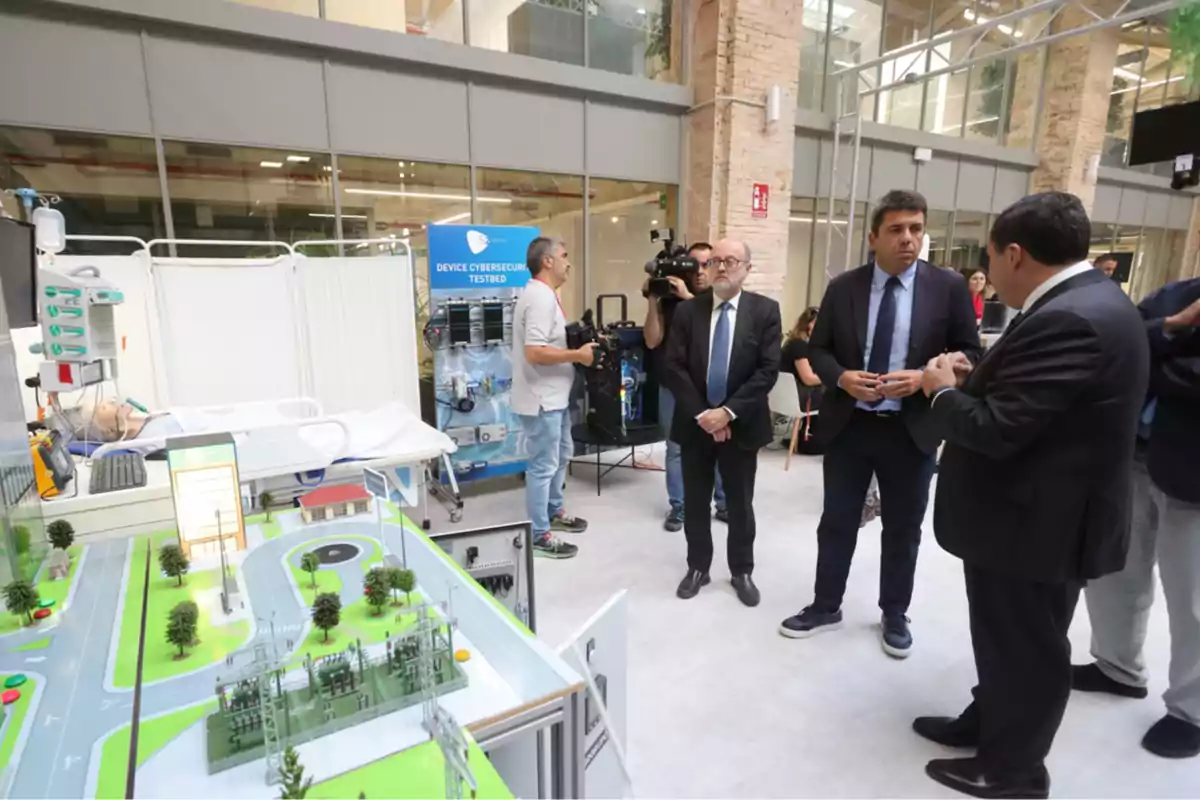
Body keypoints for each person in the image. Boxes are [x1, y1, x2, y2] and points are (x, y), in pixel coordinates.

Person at [913, 192, 1149, 798]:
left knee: (1027, 647)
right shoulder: (1087, 303)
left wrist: (942, 392)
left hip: (1036, 523)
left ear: (1013, 254)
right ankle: (989, 722)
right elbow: (1038, 403)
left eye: (989, 258)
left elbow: (998, 430)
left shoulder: (1070, 317)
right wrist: (978, 379)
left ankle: (1014, 770)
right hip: (1035, 516)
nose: (989, 274)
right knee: (1007, 637)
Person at [779, 189, 981, 657]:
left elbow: (970, 352)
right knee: (837, 521)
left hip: (912, 430)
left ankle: (894, 612)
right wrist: (842, 378)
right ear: (874, 237)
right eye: (896, 230)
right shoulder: (844, 287)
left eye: (916, 229)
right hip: (851, 425)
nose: (908, 239)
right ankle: (826, 605)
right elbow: (818, 350)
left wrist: (926, 377)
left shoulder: (947, 287)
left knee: (904, 527)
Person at [1074, 281, 1200, 760]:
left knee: (1191, 597)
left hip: (1192, 470)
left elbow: (1146, 361)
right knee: (1114, 569)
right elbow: (1124, 342)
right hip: (1132, 454)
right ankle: (1117, 667)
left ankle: (1191, 711)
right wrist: (1169, 332)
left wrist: (1157, 359)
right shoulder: (1174, 295)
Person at [663, 238, 780, 607]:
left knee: (740, 502)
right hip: (696, 424)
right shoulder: (687, 312)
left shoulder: (765, 311)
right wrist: (705, 415)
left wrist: (727, 413)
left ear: (747, 268)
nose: (722, 267)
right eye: (714, 261)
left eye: (731, 261)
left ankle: (741, 569)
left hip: (742, 425)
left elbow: (766, 371)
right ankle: (698, 566)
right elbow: (674, 367)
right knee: (695, 500)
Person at [511, 236, 597, 560]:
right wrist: (578, 354)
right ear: (547, 261)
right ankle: (538, 533)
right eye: (564, 255)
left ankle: (554, 511)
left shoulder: (545, 295)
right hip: (541, 400)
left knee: (561, 455)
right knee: (542, 465)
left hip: (555, 397)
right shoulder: (539, 298)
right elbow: (534, 352)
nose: (568, 262)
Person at [644, 242, 727, 532]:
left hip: (710, 386)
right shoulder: (670, 298)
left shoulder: (720, 296)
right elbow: (652, 340)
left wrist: (688, 298)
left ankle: (724, 503)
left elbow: (714, 333)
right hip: (674, 386)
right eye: (694, 265)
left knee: (718, 442)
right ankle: (679, 506)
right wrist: (654, 299)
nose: (700, 271)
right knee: (676, 448)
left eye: (707, 264)